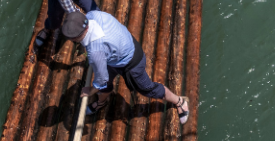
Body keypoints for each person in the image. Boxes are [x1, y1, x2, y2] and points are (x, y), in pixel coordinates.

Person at [61, 10, 189, 123]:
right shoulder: (94, 15)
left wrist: (91, 91)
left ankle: (179, 102)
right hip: (125, 46)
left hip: (131, 63)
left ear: (76, 38)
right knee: (105, 82)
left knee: (147, 88)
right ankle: (102, 102)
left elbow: (101, 80)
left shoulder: (95, 51)